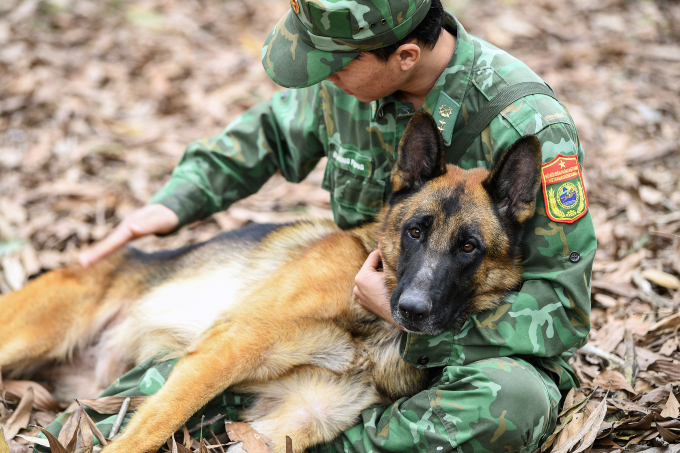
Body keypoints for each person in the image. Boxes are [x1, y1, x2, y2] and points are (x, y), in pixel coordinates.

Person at [54, 0, 596, 452]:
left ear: (405, 55)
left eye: (335, 63)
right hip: (352, 307)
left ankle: (319, 438)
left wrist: (426, 330)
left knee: (512, 400)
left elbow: (563, 309)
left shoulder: (527, 125)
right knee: (227, 354)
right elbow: (270, 132)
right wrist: (174, 203)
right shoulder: (349, 79)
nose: (322, 75)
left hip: (470, 339)